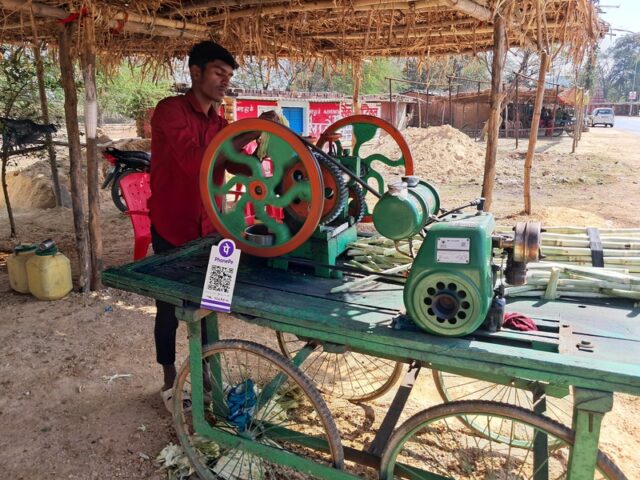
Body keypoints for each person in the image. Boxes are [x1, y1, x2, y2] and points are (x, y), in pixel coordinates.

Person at [149, 41, 274, 411]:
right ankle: (170, 380)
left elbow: (232, 163)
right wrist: (250, 130)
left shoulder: (219, 123)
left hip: (213, 229)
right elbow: (195, 162)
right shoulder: (170, 111)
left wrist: (262, 144)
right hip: (172, 226)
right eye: (219, 73)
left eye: (229, 75)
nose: (225, 81)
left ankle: (206, 374)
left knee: (212, 304)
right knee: (169, 307)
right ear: (196, 72)